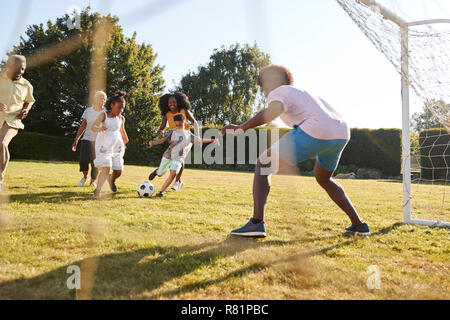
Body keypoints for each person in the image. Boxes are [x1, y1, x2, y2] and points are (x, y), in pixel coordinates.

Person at [221, 65, 370, 237]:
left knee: (264, 163)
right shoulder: (304, 94)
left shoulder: (280, 91)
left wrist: (242, 127)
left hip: (317, 128)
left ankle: (256, 223)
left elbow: (273, 111)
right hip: (341, 134)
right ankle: (359, 224)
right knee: (324, 179)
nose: (264, 90)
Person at [149, 113, 218, 197]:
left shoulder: (189, 134)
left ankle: (160, 192)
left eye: (180, 125)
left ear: (185, 123)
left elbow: (200, 140)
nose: (178, 127)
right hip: (168, 156)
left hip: (178, 158)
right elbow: (162, 140)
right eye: (177, 125)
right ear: (175, 124)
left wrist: (212, 140)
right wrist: (153, 142)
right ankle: (157, 171)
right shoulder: (171, 131)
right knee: (160, 174)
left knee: (173, 174)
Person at [0, 55, 35, 192]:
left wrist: (25, 109)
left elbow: (29, 100)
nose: (20, 72)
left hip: (13, 120)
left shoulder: (26, 85)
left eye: (23, 69)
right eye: (17, 69)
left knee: (2, 143)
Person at [154, 92, 199, 191]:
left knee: (180, 158)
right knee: (173, 159)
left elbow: (194, 122)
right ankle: (164, 173)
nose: (172, 104)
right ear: (166, 104)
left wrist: (197, 136)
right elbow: (162, 126)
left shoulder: (184, 110)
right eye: (169, 103)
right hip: (173, 138)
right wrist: (160, 131)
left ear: (178, 102)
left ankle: (177, 181)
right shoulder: (166, 114)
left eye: (174, 102)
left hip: (186, 137)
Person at [91, 91, 129, 199]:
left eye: (123, 108)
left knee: (118, 170)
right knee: (106, 167)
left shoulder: (121, 118)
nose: (121, 110)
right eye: (119, 107)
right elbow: (93, 127)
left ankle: (111, 180)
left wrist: (125, 139)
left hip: (117, 145)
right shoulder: (104, 115)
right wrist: (100, 128)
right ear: (111, 105)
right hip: (104, 144)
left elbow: (121, 129)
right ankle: (97, 190)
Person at [71, 91, 107, 188]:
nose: (102, 100)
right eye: (100, 98)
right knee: (83, 160)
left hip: (99, 142)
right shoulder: (88, 111)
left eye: (104, 98)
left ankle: (92, 182)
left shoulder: (106, 113)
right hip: (87, 139)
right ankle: (85, 177)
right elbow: (83, 126)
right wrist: (76, 139)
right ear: (95, 99)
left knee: (95, 163)